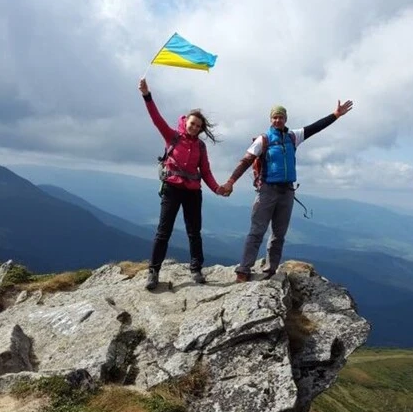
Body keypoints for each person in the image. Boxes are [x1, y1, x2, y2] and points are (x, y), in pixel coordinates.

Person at [222, 100, 354, 282]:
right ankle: (244, 270)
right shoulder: (264, 140)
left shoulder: (293, 137)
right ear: (270, 119)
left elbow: (315, 128)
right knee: (257, 231)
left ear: (285, 119)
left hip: (287, 192)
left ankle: (270, 269)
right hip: (267, 190)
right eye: (275, 117)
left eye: (281, 117)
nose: (278, 120)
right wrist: (231, 182)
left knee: (279, 234)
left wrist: (335, 115)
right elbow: (245, 161)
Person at [139, 78, 227, 290]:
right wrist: (146, 95)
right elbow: (156, 119)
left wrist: (217, 189)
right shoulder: (172, 137)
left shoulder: (201, 147)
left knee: (194, 231)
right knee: (163, 231)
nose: (195, 127)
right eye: (192, 123)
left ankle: (196, 269)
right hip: (172, 188)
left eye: (198, 126)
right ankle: (153, 271)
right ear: (186, 121)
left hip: (192, 193)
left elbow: (205, 171)